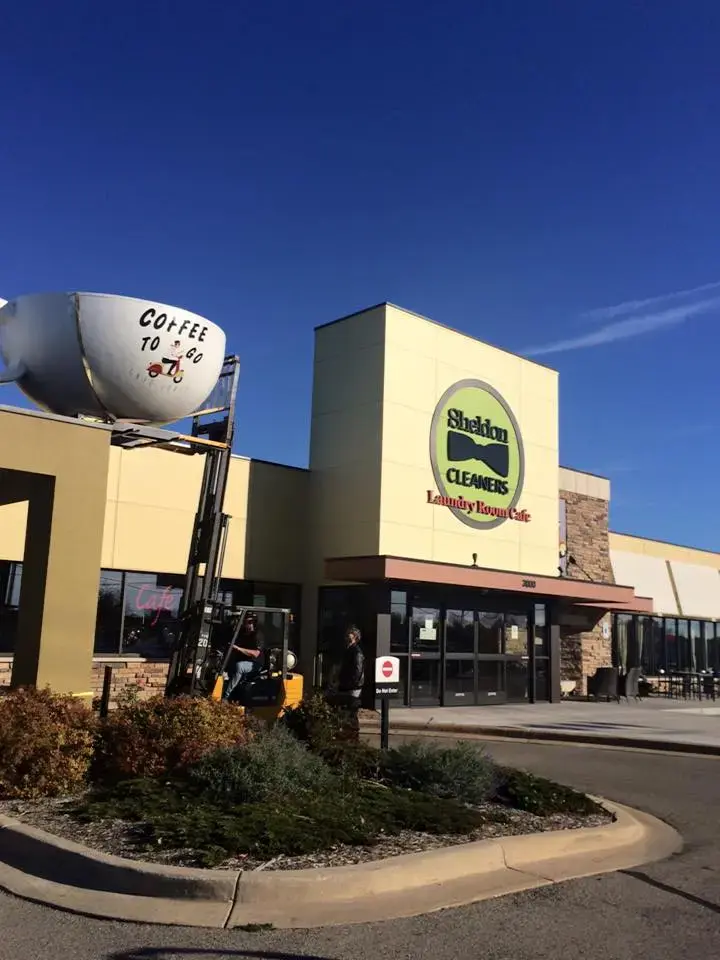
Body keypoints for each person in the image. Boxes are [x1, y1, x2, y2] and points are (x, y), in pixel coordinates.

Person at [223, 615, 265, 701]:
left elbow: (256, 654)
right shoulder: (242, 634)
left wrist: (238, 648)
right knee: (229, 665)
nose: (249, 624)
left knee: (240, 666)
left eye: (251, 622)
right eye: (247, 622)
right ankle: (234, 693)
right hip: (243, 660)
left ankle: (226, 696)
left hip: (255, 663)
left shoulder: (257, 635)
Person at [334, 624, 365, 739]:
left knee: (351, 712)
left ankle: (353, 737)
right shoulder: (348, 650)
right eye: (346, 635)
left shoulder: (356, 652)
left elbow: (357, 671)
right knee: (346, 712)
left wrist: (349, 684)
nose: (347, 637)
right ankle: (348, 735)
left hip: (352, 688)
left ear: (355, 637)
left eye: (350, 635)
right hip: (346, 686)